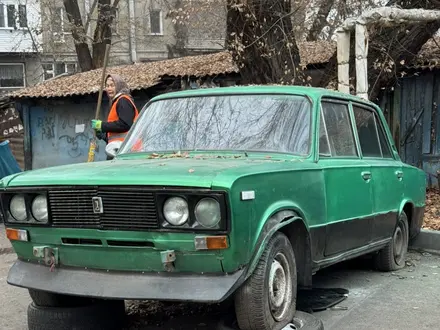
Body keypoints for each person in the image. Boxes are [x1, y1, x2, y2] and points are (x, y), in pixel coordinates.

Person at [91, 74, 139, 146]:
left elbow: (125, 125)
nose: (109, 89)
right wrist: (103, 135)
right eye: (107, 86)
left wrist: (102, 125)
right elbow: (116, 137)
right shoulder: (116, 102)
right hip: (119, 148)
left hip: (128, 149)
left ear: (119, 86)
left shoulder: (123, 100)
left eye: (112, 85)